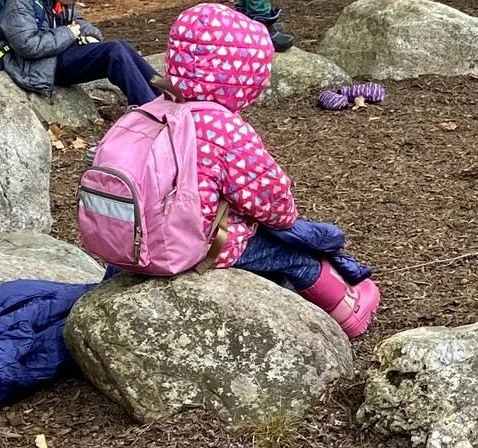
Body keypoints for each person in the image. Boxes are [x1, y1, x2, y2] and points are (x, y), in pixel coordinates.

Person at [154, 3, 378, 336]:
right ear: (240, 76)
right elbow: (271, 200)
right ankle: (348, 309)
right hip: (193, 246)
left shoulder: (151, 111)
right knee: (292, 254)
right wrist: (287, 223)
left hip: (138, 239)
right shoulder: (222, 129)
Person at [0, 0, 160, 106]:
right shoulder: (20, 4)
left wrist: (90, 35)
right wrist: (69, 33)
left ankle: (164, 95)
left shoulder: (61, 3)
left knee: (121, 45)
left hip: (55, 54)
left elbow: (80, 23)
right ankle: (149, 109)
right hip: (36, 66)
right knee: (113, 52)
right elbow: (28, 46)